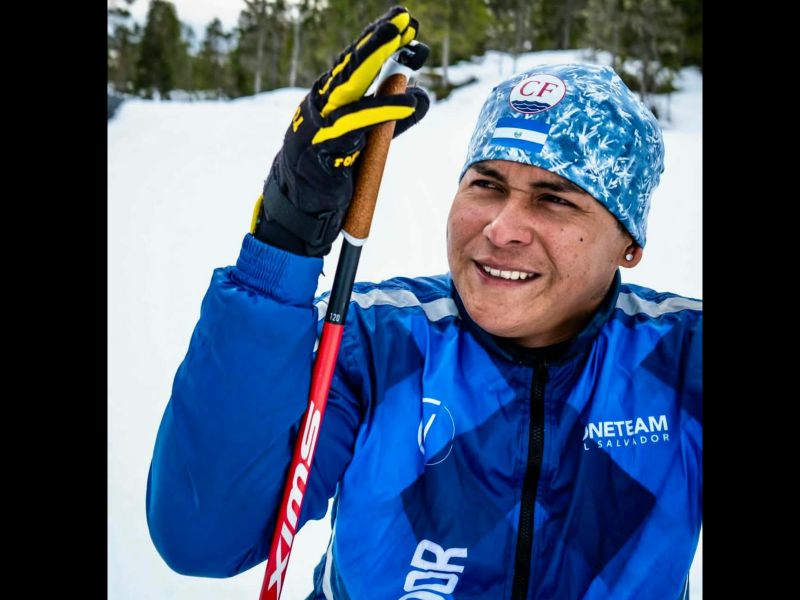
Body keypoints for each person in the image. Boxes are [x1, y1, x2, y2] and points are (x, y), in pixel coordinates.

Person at [146, 6, 702, 600]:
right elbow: (205, 535)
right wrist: (282, 246)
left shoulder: (679, 358)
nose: (501, 228)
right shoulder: (377, 342)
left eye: (555, 200)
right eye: (486, 185)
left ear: (629, 242)